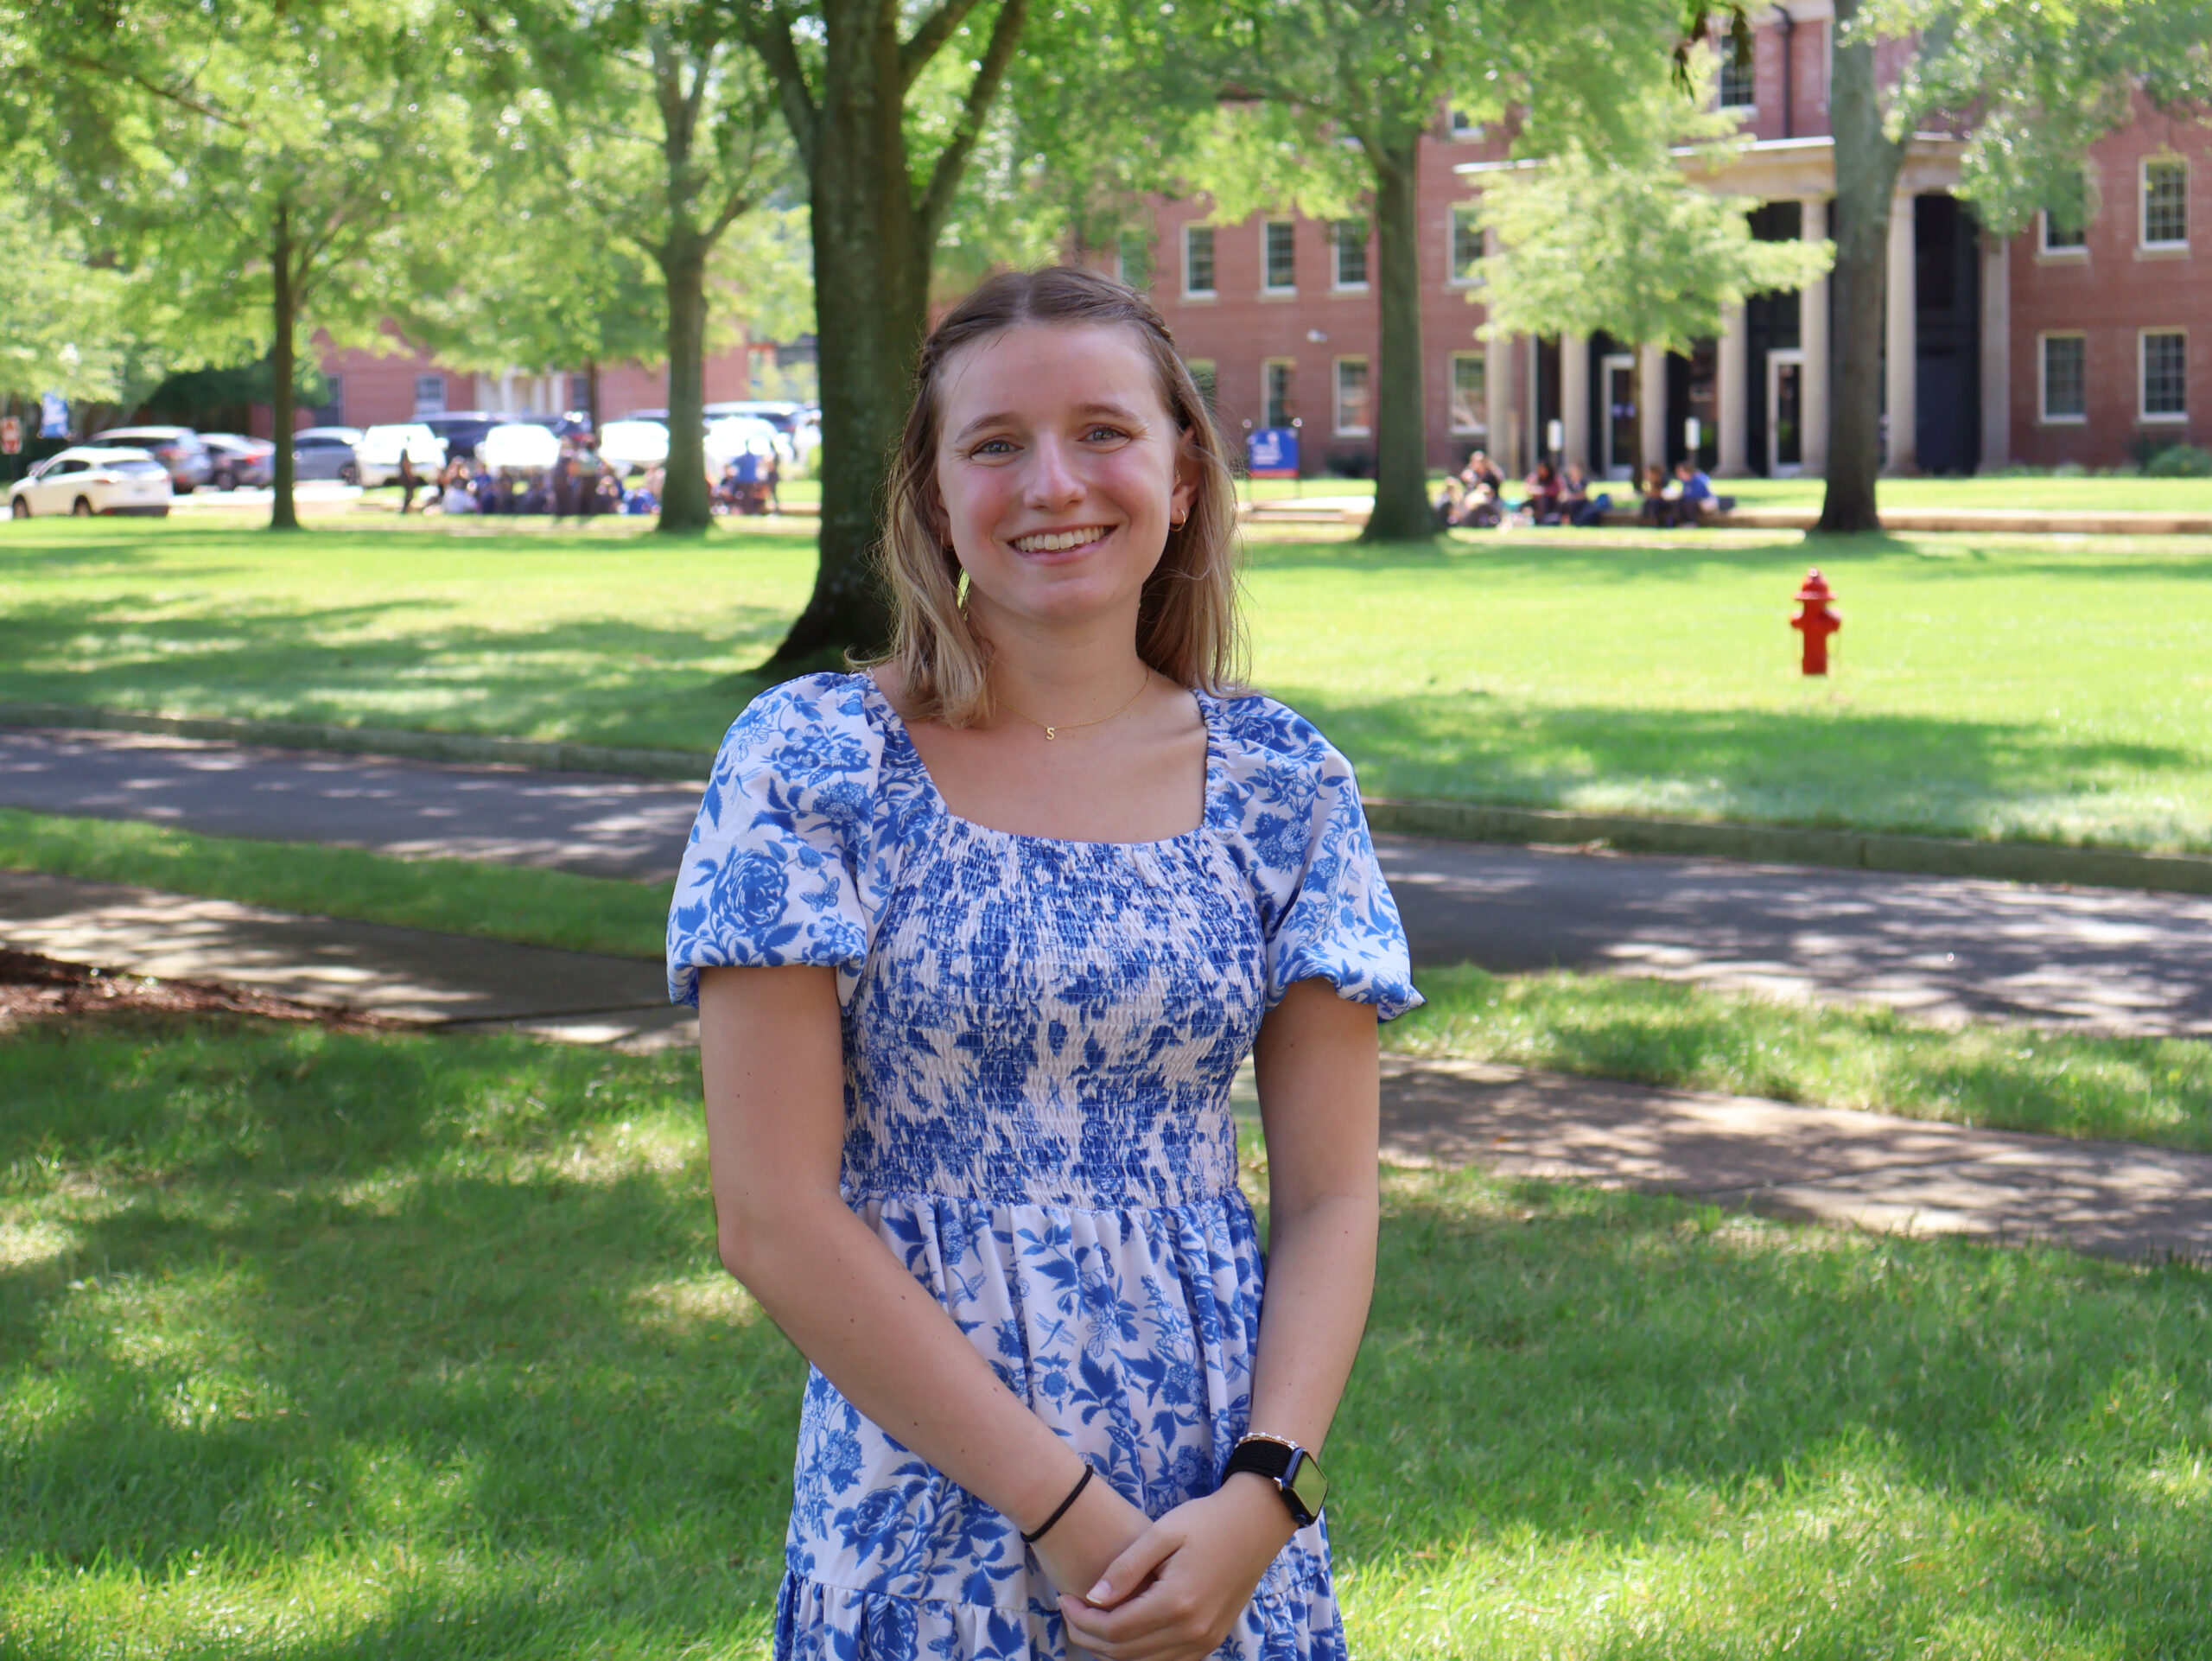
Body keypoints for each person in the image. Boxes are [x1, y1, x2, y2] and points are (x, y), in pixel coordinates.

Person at [668, 266, 1417, 1660]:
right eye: (996, 444)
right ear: (935, 493)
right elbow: (770, 1214)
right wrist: (1067, 1513)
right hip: (925, 1489)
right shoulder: (812, 760)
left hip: (1214, 1498)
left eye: (1104, 433)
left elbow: (1330, 1200)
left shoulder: (1283, 782)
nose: (1053, 483)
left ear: (1185, 472)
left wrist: (1267, 1495)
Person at [1673, 457, 1718, 524]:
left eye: (1680, 472)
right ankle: (1683, 522)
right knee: (1680, 502)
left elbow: (1697, 494)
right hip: (1696, 501)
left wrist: (1683, 495)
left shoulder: (1698, 479)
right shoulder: (1685, 482)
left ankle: (1692, 522)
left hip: (1707, 501)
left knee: (1689, 502)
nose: (1678, 474)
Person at [397, 448, 419, 515]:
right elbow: (406, 465)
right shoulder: (405, 455)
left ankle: (406, 508)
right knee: (409, 494)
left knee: (408, 494)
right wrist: (410, 476)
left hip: (403, 477)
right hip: (406, 478)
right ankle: (405, 508)